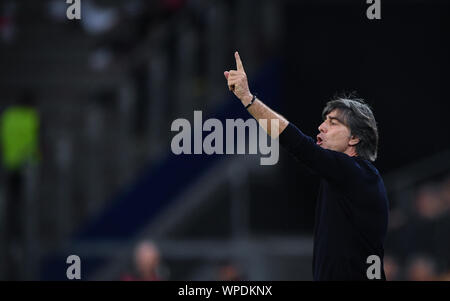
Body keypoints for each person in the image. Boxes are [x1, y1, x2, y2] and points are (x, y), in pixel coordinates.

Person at [223, 52, 389, 280]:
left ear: (354, 138)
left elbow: (300, 145)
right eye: (324, 120)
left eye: (333, 122)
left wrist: (248, 100)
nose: (321, 126)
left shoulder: (358, 174)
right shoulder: (342, 177)